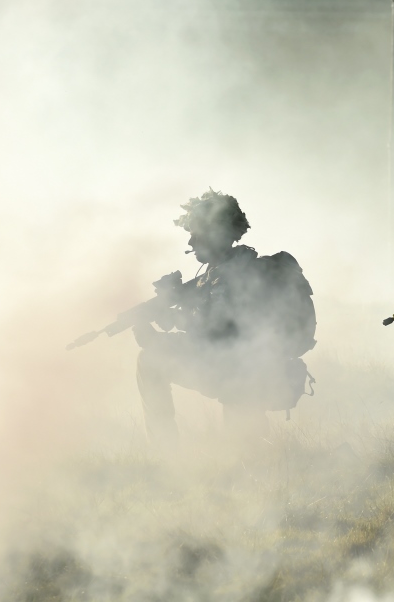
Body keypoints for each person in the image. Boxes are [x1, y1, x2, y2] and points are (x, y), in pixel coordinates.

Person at [132, 189, 316, 445]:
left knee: (151, 359)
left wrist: (164, 329)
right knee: (244, 450)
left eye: (196, 234)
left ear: (215, 234)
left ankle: (165, 452)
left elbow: (216, 332)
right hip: (245, 372)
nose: (191, 243)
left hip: (243, 374)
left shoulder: (234, 275)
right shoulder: (218, 274)